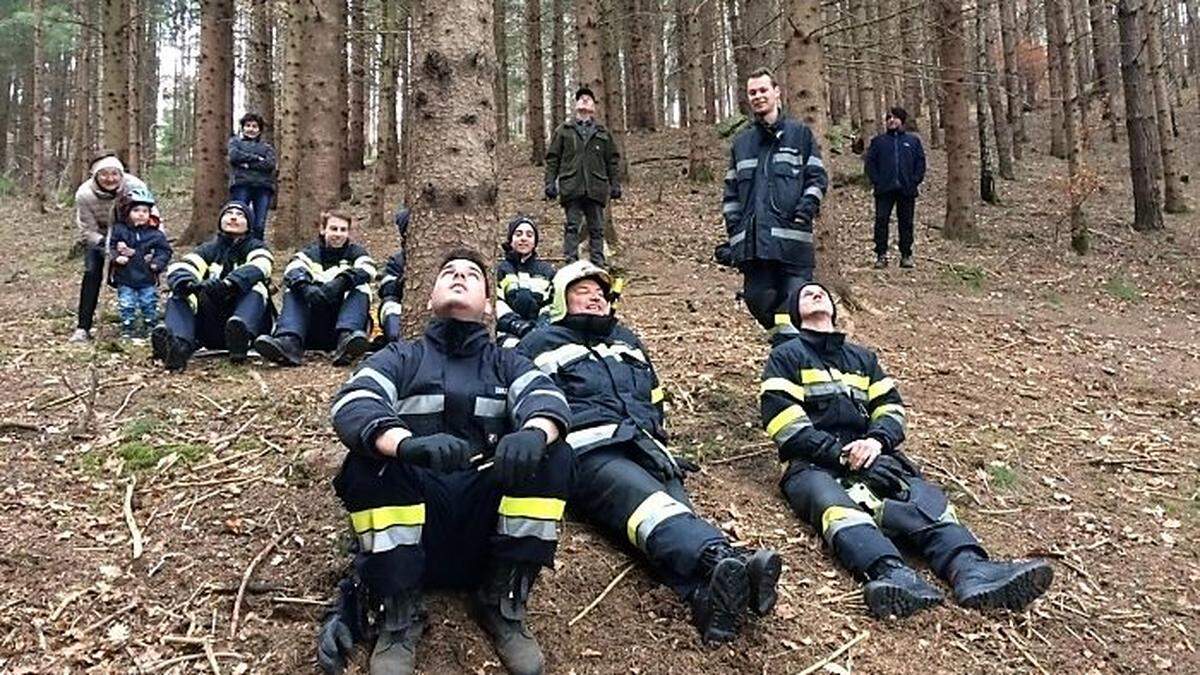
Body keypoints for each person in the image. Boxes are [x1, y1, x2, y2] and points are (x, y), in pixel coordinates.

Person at [320, 249, 574, 675]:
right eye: (449, 274)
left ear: (489, 305)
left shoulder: (507, 361)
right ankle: (397, 614)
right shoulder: (399, 357)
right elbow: (353, 403)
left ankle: (505, 602)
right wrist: (405, 445)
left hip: (487, 532)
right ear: (430, 296)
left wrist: (535, 433)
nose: (459, 277)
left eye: (472, 275)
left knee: (555, 456)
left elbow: (546, 398)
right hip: (414, 532)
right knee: (367, 463)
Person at [517, 262, 781, 644]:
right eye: (582, 291)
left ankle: (706, 600)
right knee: (655, 512)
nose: (595, 297)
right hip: (589, 450)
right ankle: (727, 558)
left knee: (662, 525)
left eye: (600, 293)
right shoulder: (539, 344)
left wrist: (659, 442)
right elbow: (540, 405)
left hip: (648, 449)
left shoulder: (629, 342)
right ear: (560, 299)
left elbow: (653, 400)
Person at [759, 282, 1053, 619]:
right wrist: (842, 454)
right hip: (813, 464)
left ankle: (971, 570)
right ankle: (890, 574)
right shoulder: (785, 356)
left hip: (875, 456)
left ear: (834, 309)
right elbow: (784, 422)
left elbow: (891, 409)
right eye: (806, 293)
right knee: (835, 507)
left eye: (821, 292)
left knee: (925, 499)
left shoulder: (862, 359)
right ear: (796, 314)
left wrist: (876, 443)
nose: (816, 293)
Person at [719, 68, 829, 344]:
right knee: (758, 300)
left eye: (763, 91)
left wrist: (807, 206)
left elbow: (817, 176)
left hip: (793, 244)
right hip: (755, 247)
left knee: (795, 303)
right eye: (752, 93)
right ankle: (787, 345)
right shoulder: (741, 143)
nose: (758, 97)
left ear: (777, 93)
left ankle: (796, 352)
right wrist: (735, 232)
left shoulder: (799, 135)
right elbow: (731, 193)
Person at [152, 201, 274, 371]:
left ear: (249, 224)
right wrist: (193, 285)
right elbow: (182, 267)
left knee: (256, 285)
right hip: (211, 325)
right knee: (180, 292)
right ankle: (178, 346)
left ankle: (242, 337)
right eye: (228, 213)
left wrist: (229, 284)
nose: (233, 217)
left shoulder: (257, 248)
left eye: (240, 215)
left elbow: (261, 266)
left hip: (249, 324)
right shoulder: (207, 250)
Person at [254, 211, 376, 367]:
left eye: (343, 230)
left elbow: (368, 269)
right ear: (323, 230)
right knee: (294, 288)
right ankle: (288, 342)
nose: (338, 234)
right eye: (333, 229)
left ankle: (347, 340)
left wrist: (342, 281)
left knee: (361, 286)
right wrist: (306, 287)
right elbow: (292, 270)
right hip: (309, 326)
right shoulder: (309, 253)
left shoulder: (357, 253)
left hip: (341, 327)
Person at [70, 151, 152, 343]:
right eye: (104, 174)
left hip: (133, 237)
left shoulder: (135, 186)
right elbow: (86, 230)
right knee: (92, 272)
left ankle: (146, 321)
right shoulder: (84, 194)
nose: (110, 179)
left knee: (144, 273)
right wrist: (107, 245)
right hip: (100, 237)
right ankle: (83, 327)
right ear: (95, 176)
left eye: (114, 174)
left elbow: (152, 215)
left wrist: (149, 242)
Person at [545, 86, 621, 266]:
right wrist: (550, 183)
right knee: (572, 227)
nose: (584, 100)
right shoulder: (563, 131)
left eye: (588, 98)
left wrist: (615, 184)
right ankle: (570, 263)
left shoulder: (603, 133)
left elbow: (612, 160)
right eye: (581, 98)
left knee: (597, 229)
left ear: (594, 106)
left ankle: (598, 265)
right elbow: (553, 159)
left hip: (596, 187)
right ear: (575, 105)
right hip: (572, 186)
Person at [864, 106, 926, 269]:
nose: (891, 121)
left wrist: (914, 180)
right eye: (888, 118)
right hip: (884, 190)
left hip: (906, 189)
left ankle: (906, 254)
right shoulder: (878, 142)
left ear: (902, 120)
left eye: (895, 118)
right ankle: (881, 254)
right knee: (881, 221)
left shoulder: (912, 141)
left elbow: (920, 163)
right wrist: (876, 181)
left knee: (906, 223)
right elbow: (870, 164)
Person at [107, 186, 172, 339]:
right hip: (125, 276)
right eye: (136, 211)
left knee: (148, 302)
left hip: (147, 276)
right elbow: (110, 247)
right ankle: (127, 326)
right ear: (128, 212)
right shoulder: (119, 230)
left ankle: (150, 325)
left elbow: (165, 251)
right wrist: (116, 257)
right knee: (126, 303)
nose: (140, 215)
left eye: (145, 211)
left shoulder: (155, 234)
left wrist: (157, 263)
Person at [495, 216, 555, 348]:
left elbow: (551, 304)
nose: (523, 238)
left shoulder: (547, 271)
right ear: (511, 240)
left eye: (529, 235)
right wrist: (517, 325)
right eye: (518, 234)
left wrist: (540, 328)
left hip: (540, 332)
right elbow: (496, 302)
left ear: (534, 242)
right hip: (505, 332)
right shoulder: (500, 269)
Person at [227, 112, 277, 241]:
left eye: (255, 126)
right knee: (239, 219)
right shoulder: (235, 142)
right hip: (241, 185)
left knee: (259, 224)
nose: (251, 129)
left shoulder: (267, 147)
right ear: (243, 128)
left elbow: (269, 164)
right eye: (248, 125)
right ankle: (237, 248)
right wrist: (256, 158)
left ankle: (257, 249)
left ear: (259, 130)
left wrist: (247, 165)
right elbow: (234, 156)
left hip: (263, 187)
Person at [377, 207, 410, 344]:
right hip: (401, 306)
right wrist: (400, 283)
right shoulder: (397, 260)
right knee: (389, 304)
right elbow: (386, 289)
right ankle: (396, 342)